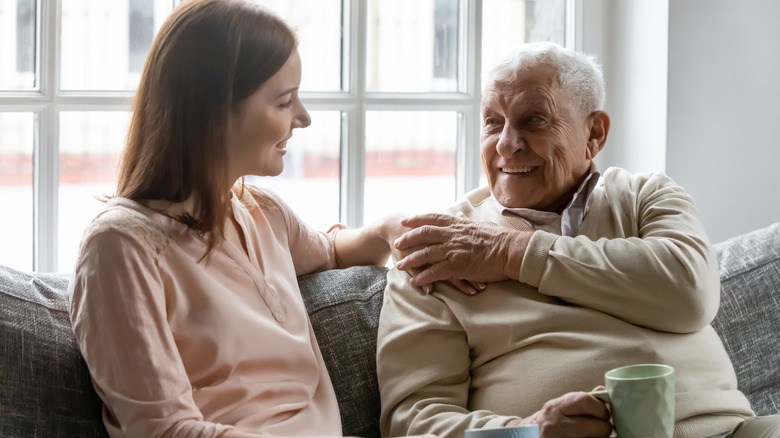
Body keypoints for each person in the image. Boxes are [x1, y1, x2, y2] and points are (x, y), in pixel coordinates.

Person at [377, 42, 780, 438]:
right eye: (492, 122)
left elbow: (689, 293)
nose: (505, 144)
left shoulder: (646, 196)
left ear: (595, 132)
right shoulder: (439, 248)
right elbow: (414, 421)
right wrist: (526, 431)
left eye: (533, 120)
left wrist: (510, 253)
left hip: (735, 430)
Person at [68, 1, 407, 437]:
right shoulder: (120, 246)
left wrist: (391, 228)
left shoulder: (262, 212)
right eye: (285, 102)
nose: (303, 118)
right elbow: (162, 430)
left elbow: (330, 252)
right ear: (214, 110)